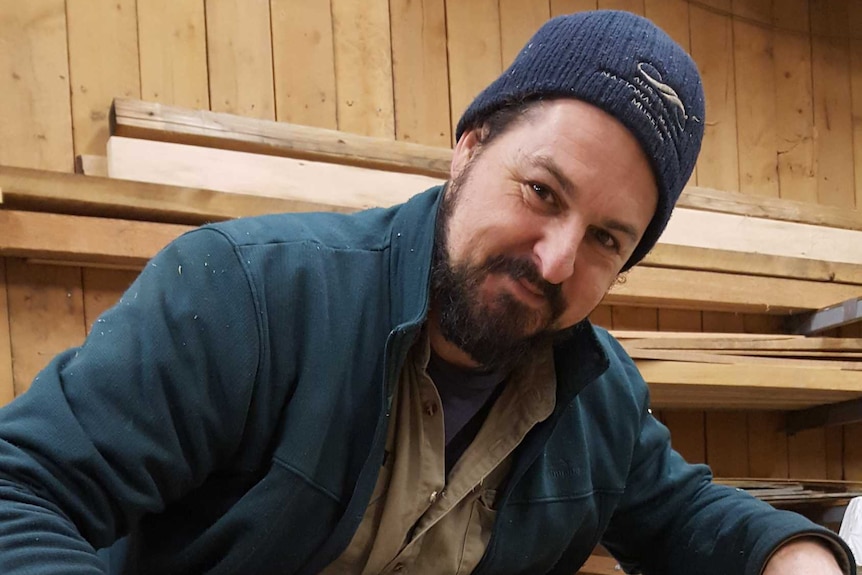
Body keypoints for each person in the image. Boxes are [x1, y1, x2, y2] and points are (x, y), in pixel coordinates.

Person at [0, 10, 855, 575]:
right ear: (470, 145)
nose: (555, 262)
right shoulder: (247, 293)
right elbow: (20, 488)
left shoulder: (600, 403)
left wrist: (796, 557)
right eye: (542, 192)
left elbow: (688, 517)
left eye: (605, 239)